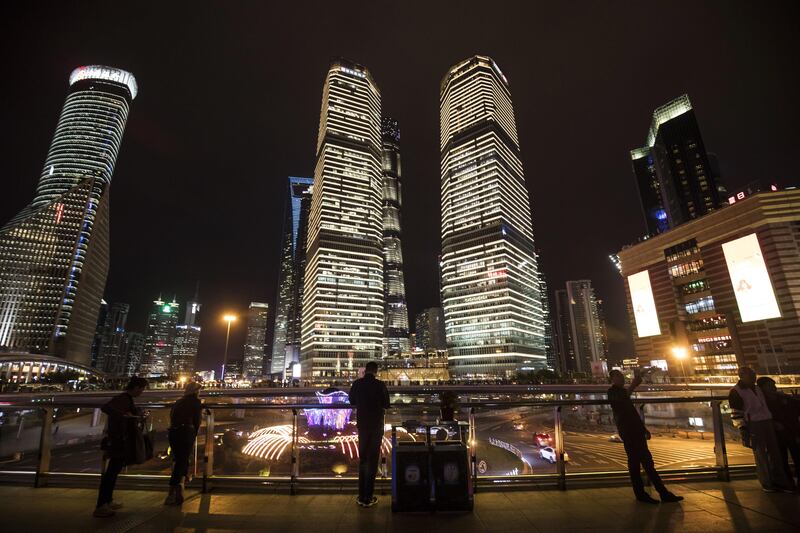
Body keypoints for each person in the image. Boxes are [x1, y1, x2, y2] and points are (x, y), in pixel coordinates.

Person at [607, 369, 683, 504]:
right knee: (639, 464)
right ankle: (651, 494)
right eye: (618, 376)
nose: (622, 378)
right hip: (628, 432)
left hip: (635, 431)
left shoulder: (621, 392)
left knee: (643, 463)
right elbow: (622, 401)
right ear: (612, 379)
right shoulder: (612, 392)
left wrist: (643, 429)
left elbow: (633, 414)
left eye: (622, 376)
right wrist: (633, 385)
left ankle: (656, 493)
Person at [729, 367, 792, 492]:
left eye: (754, 374)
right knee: (761, 454)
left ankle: (778, 481)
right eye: (751, 375)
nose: (754, 377)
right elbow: (736, 412)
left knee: (774, 453)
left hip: (766, 421)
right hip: (753, 423)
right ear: (742, 375)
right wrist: (742, 428)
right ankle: (767, 482)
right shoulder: (736, 391)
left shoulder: (757, 388)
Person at [94, 376, 149, 518]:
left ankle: (108, 501)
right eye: (142, 389)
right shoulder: (123, 398)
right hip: (118, 441)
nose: (142, 392)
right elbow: (106, 408)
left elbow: (125, 413)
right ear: (136, 387)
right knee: (111, 474)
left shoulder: (127, 399)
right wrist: (124, 415)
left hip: (121, 440)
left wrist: (134, 414)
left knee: (113, 472)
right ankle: (101, 506)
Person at [348, 361, 390, 507]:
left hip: (363, 425)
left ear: (365, 370)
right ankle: (369, 496)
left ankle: (361, 496)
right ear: (376, 371)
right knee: (373, 460)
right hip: (376, 425)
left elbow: (352, 401)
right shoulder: (380, 385)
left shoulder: (357, 383)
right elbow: (386, 404)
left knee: (363, 459)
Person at [755, 376, 800, 489]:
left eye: (773, 385)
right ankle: (787, 482)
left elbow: (796, 412)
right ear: (762, 389)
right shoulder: (762, 402)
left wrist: (796, 400)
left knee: (797, 456)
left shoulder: (783, 397)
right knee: (781, 459)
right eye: (770, 386)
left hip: (791, 431)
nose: (773, 388)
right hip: (776, 434)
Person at [164, 381, 203, 505]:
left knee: (179, 460)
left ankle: (178, 488)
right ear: (196, 391)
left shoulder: (178, 401)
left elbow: (172, 417)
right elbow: (197, 421)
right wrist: (194, 433)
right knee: (182, 460)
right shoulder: (196, 402)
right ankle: (173, 492)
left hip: (173, 432)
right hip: (186, 432)